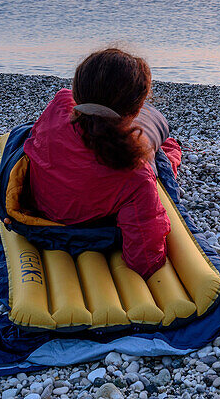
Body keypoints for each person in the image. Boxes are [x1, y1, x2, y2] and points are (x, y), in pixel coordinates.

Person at [22, 48, 181, 279]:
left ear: (78, 90)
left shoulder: (59, 104)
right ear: (137, 109)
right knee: (162, 159)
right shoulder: (136, 174)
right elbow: (144, 262)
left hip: (40, 205)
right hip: (80, 224)